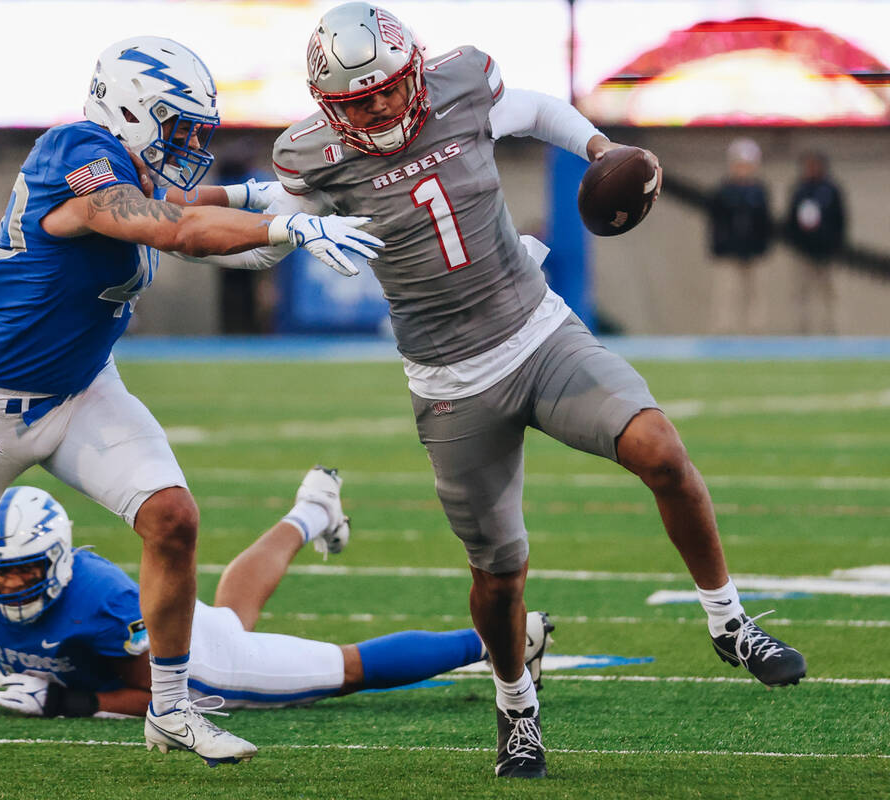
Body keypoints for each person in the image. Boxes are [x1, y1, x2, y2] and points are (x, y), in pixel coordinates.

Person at [0, 35, 382, 769]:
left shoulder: (123, 168)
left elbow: (188, 207)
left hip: (82, 386)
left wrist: (274, 202)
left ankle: (172, 709)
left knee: (172, 518)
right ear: (128, 111)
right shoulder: (74, 153)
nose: (187, 143)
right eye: (176, 125)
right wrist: (289, 223)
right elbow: (175, 227)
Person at [262, 2, 806, 779]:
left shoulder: (460, 83)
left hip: (538, 333)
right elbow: (266, 233)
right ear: (330, 107)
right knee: (499, 572)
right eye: (358, 101)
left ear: (412, 70)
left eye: (387, 89)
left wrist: (599, 147)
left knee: (660, 448)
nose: (380, 107)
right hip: (452, 382)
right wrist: (261, 233)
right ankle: (516, 708)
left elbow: (540, 110)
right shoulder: (312, 157)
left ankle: (730, 623)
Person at [0, 474, 554, 732]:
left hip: (199, 665)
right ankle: (312, 510)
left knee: (342, 671)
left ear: (56, 561)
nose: (6, 588)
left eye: (22, 573)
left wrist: (71, 702)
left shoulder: (103, 605)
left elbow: (162, 695)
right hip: (181, 627)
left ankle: (508, 637)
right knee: (229, 609)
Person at [707, 138, 773, 334]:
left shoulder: (759, 191)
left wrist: (762, 246)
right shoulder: (724, 191)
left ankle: (756, 330)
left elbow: (765, 222)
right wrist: (719, 246)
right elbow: (716, 222)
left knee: (756, 294)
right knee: (726, 292)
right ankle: (724, 329)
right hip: (728, 251)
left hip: (753, 251)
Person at [785, 151, 846, 334]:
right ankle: (802, 330)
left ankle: (833, 328)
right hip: (804, 251)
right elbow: (791, 221)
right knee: (801, 292)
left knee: (830, 292)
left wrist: (835, 244)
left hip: (827, 250)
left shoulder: (831, 190)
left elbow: (840, 219)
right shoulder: (799, 191)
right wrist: (798, 244)